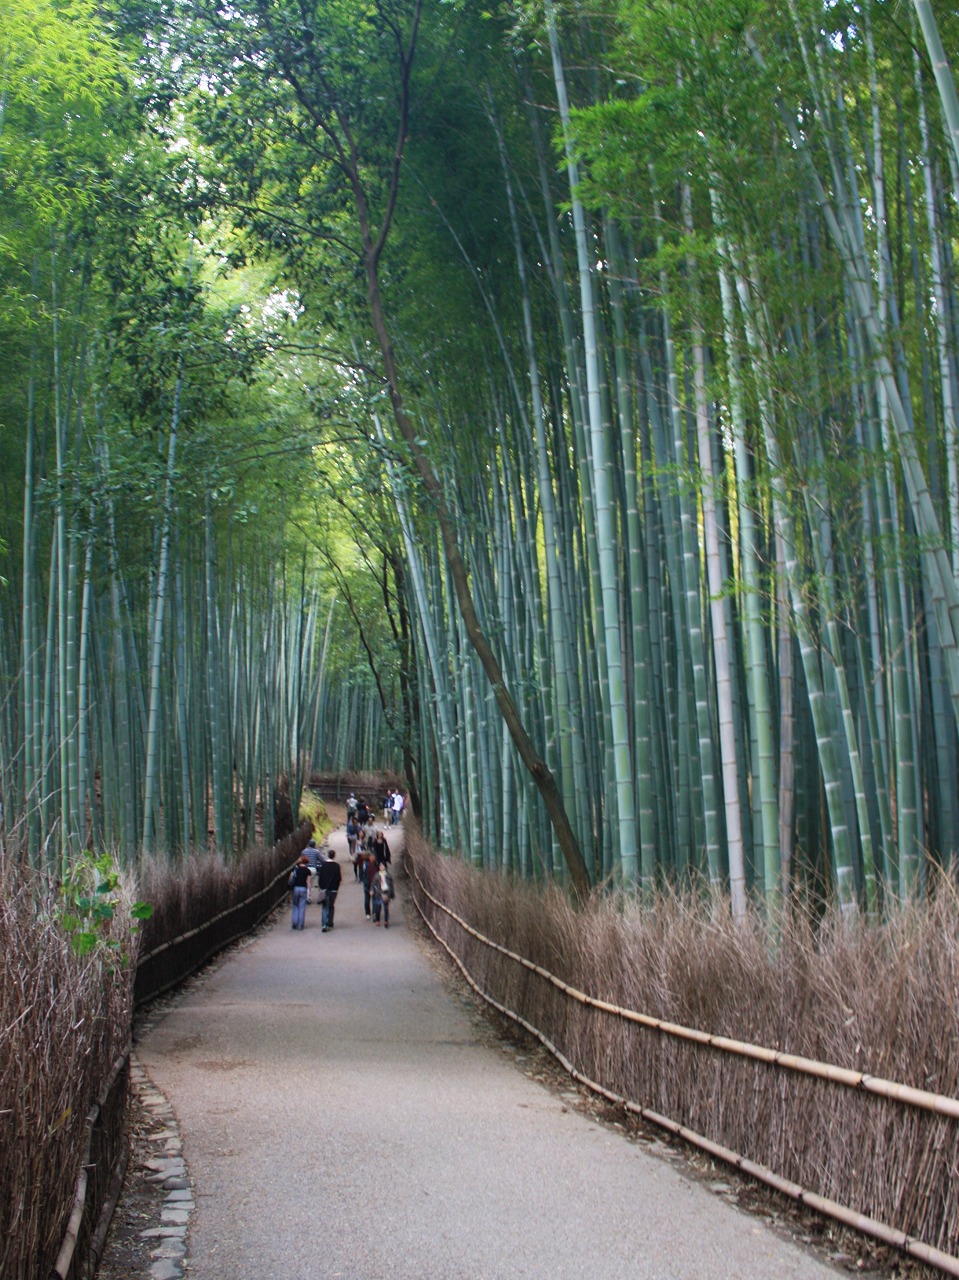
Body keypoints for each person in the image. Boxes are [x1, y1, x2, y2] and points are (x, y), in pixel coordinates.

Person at [317, 849, 341, 932]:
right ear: (334, 856)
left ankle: (324, 924)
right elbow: (339, 878)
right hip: (333, 889)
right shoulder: (337, 866)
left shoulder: (323, 865)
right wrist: (336, 887)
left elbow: (320, 877)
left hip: (324, 889)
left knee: (324, 906)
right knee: (331, 906)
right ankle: (330, 923)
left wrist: (321, 886)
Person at [288, 855, 311, 930]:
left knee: (295, 906)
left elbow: (291, 878)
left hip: (295, 888)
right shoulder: (308, 871)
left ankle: (294, 922)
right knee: (302, 907)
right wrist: (309, 893)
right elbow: (308, 882)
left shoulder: (295, 869)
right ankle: (300, 925)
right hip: (303, 889)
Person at [370, 861, 395, 927]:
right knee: (378, 907)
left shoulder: (389, 876)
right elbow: (373, 884)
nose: (382, 867)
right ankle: (378, 920)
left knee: (386, 908)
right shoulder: (376, 875)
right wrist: (372, 890)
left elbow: (391, 886)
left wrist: (390, 895)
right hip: (378, 893)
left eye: (383, 866)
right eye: (380, 866)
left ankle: (386, 921)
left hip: (386, 892)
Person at [360, 851, 377, 919]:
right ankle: (368, 912)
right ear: (369, 857)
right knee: (367, 899)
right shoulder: (366, 865)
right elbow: (361, 873)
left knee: (374, 899)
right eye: (372, 857)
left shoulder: (376, 864)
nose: (373, 858)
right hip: (367, 884)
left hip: (374, 884)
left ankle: (374, 912)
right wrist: (363, 880)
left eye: (374, 857)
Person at [305, 837, 323, 902]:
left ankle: (308, 897)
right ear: (314, 845)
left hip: (306, 869)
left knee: (308, 883)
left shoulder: (304, 851)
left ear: (308, 844)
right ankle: (313, 896)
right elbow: (322, 860)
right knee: (311, 882)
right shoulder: (316, 852)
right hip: (313, 869)